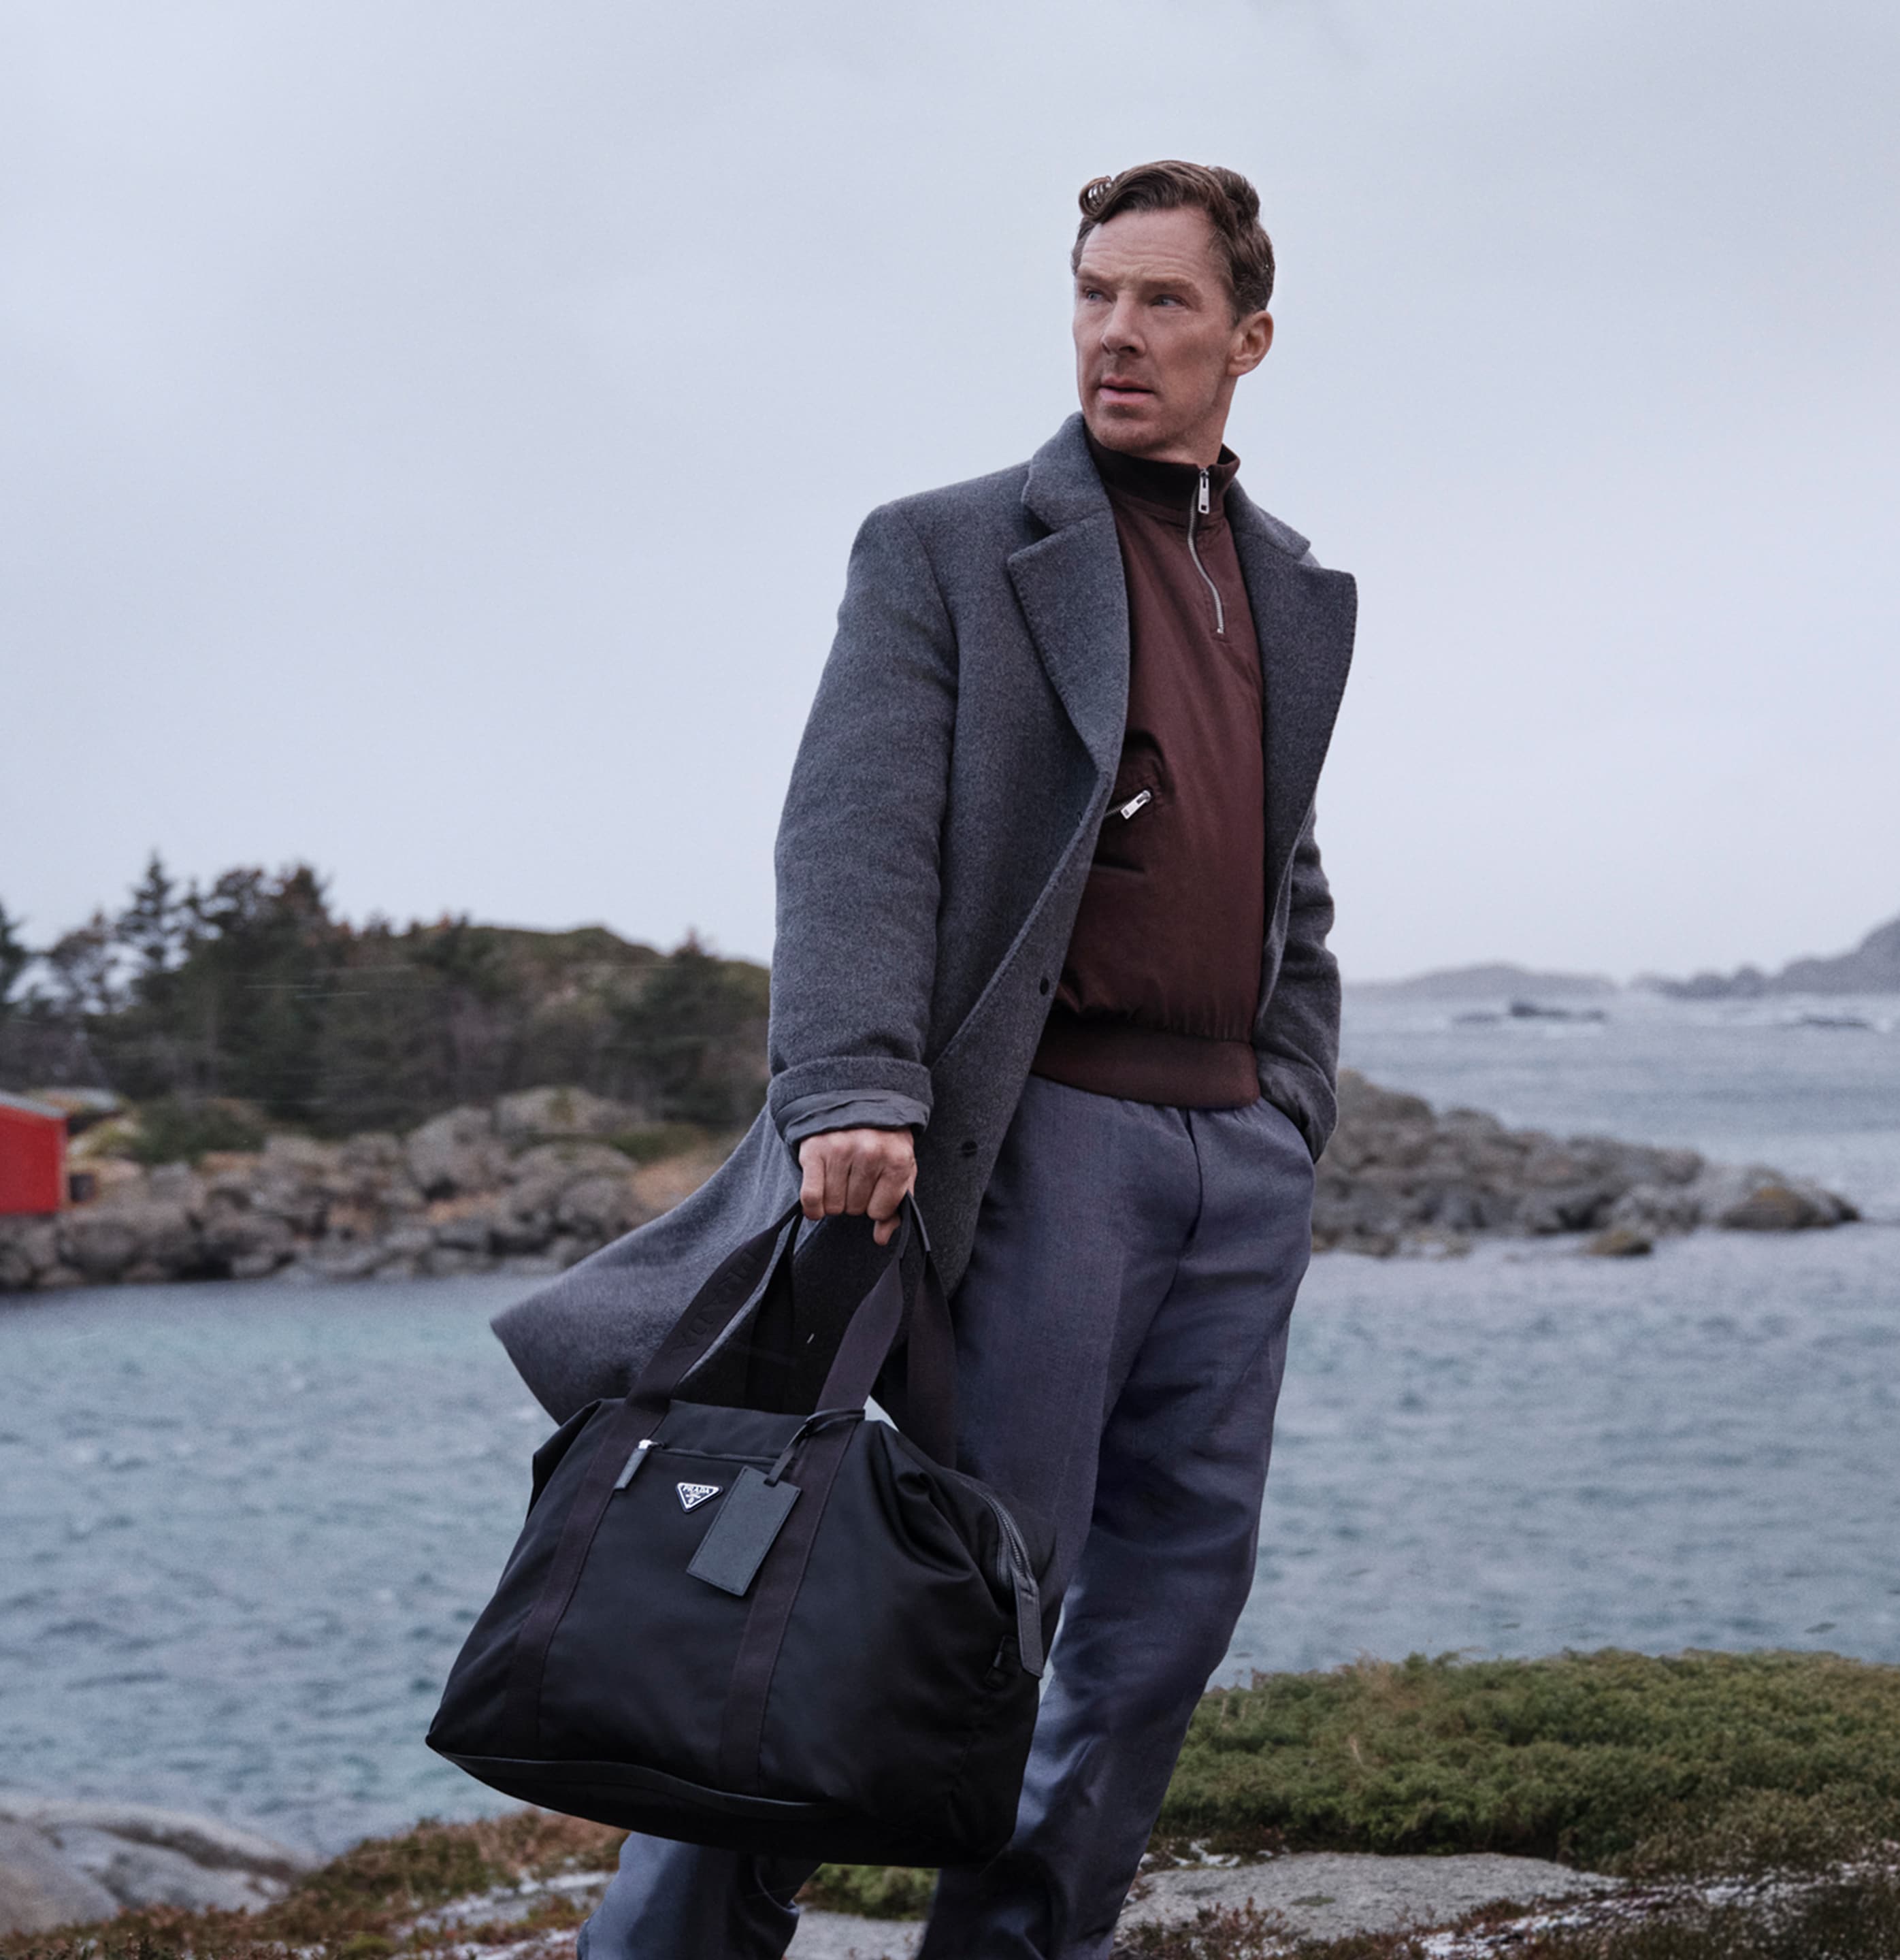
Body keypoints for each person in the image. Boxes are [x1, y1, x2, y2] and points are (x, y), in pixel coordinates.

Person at [494, 159, 1356, 1960]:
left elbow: (1284, 869)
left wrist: (1293, 1106)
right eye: (1096, 293)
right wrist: (855, 1089)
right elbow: (855, 839)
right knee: (903, 1598)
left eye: (1166, 301)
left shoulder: (1288, 585)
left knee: (1165, 1624)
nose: (1119, 331)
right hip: (1043, 1152)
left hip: (1235, 1169)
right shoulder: (950, 548)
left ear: (1251, 338)